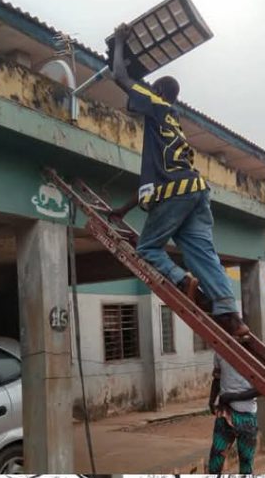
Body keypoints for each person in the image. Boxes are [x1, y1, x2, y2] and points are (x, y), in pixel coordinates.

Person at [106, 29, 250, 339]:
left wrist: (119, 42)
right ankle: (232, 316)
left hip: (178, 194)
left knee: (147, 248)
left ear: (156, 90)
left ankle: (182, 281)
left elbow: (119, 75)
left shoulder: (156, 105)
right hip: (196, 192)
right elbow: (161, 181)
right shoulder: (173, 123)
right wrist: (122, 209)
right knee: (204, 255)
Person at [207, 355, 259, 473]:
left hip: (247, 416)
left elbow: (261, 388)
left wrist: (233, 397)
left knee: (246, 463)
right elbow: (217, 378)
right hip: (225, 413)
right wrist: (211, 400)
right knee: (215, 461)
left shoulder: (252, 353)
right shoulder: (220, 351)